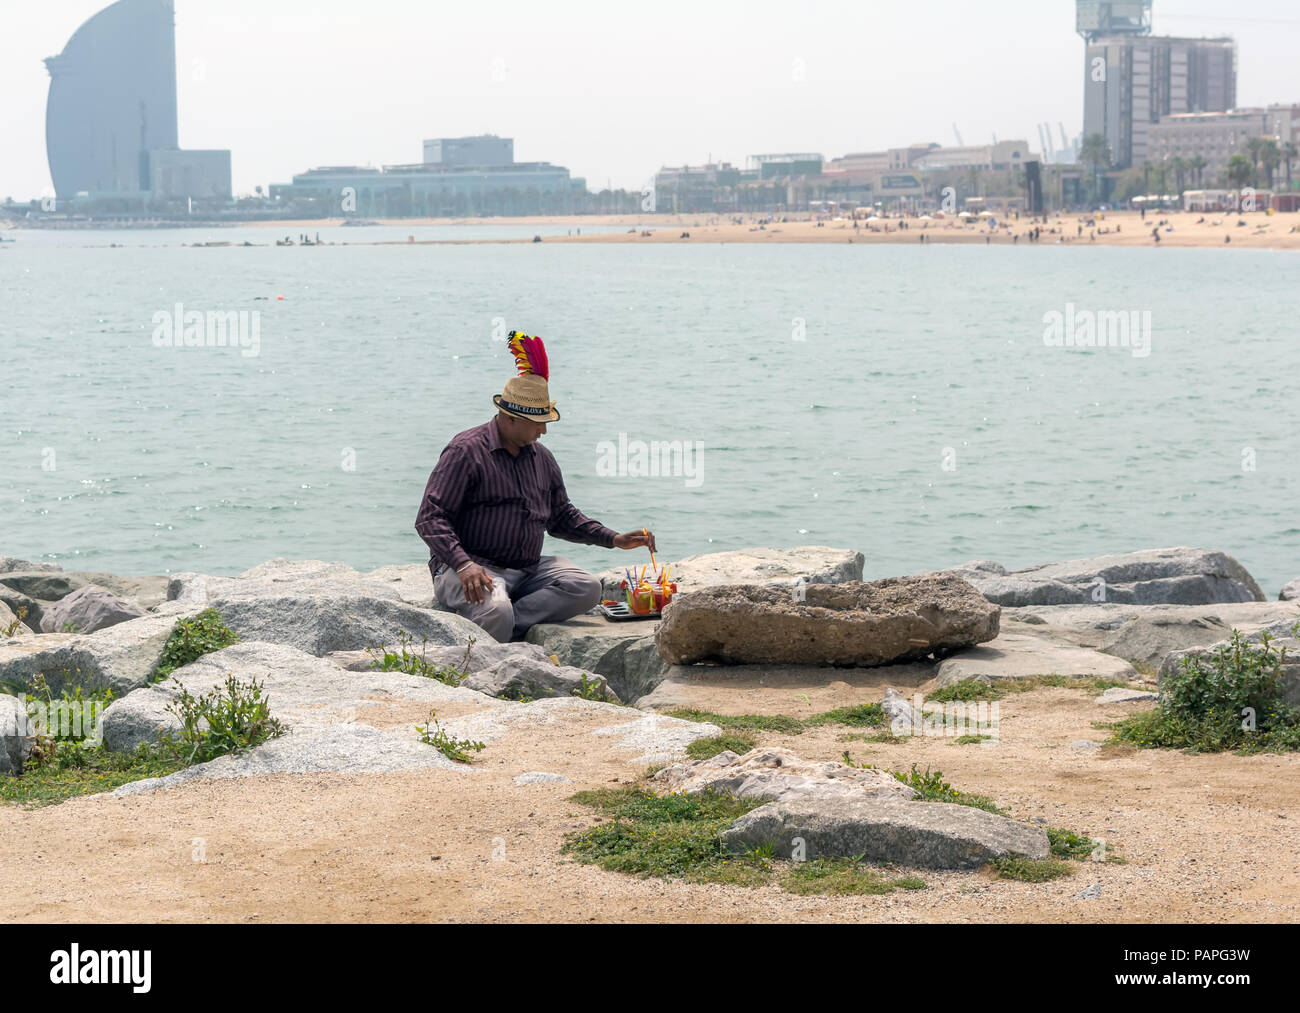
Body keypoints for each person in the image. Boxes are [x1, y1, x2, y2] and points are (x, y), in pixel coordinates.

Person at [415, 332, 655, 642]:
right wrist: (463, 563)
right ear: (510, 418)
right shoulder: (466, 451)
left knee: (587, 588)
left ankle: (505, 624)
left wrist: (613, 538)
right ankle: (493, 635)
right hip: (472, 568)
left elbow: (562, 517)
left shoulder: (541, 458)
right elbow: (429, 517)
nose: (543, 430)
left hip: (527, 569)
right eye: (537, 422)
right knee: (496, 609)